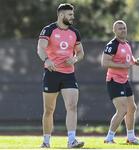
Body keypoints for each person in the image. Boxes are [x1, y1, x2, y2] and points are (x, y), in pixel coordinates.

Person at [37, 3, 84, 148]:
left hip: (69, 75)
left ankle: (71, 140)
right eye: (70, 15)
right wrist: (47, 59)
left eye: (72, 14)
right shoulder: (49, 29)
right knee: (49, 110)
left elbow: (81, 52)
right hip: (51, 74)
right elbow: (40, 48)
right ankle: (46, 141)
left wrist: (74, 59)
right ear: (61, 15)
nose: (72, 17)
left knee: (72, 106)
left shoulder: (74, 32)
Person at [101, 20, 139, 145]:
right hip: (114, 80)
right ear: (114, 31)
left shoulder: (126, 44)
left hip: (124, 80)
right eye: (120, 28)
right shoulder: (112, 45)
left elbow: (128, 59)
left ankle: (131, 138)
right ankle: (109, 138)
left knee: (132, 108)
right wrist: (122, 65)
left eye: (124, 28)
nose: (123, 30)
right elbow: (105, 63)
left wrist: (135, 61)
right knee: (123, 109)